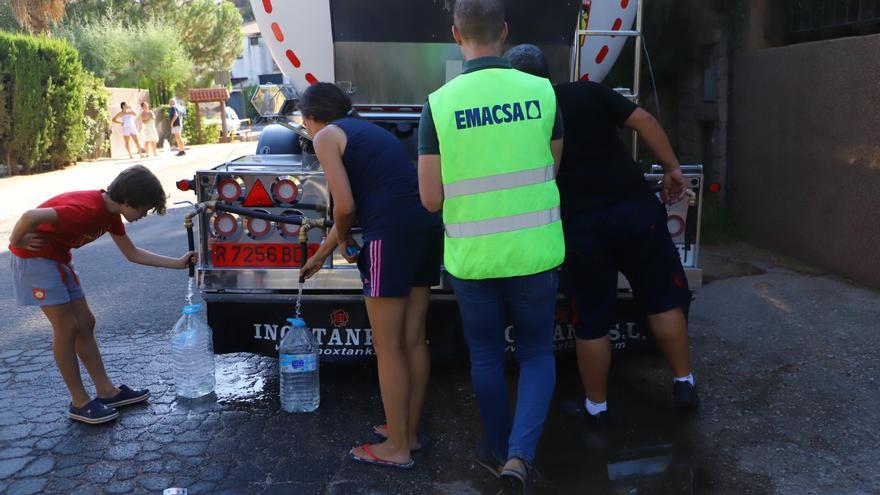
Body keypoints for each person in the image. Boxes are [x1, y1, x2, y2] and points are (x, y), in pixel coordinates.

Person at [504, 44, 700, 426]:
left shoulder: (522, 117)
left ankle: (597, 406)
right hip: (635, 212)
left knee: (592, 319)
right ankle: (684, 383)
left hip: (580, 227)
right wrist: (672, 168)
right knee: (661, 300)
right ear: (548, 71)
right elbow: (644, 120)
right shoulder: (586, 91)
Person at [417, 1, 565, 492]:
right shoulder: (542, 92)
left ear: (456, 36)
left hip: (473, 259)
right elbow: (551, 168)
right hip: (534, 253)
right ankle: (521, 456)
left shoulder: (438, 103)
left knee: (484, 357)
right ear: (504, 31)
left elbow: (430, 199)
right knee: (537, 354)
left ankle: (497, 448)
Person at [298, 83, 443, 470]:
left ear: (312, 116)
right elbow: (359, 204)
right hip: (426, 231)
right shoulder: (369, 130)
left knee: (388, 347)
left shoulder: (326, 136)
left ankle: (396, 447)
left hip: (390, 239)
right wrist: (323, 253)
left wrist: (341, 238)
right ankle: (407, 432)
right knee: (413, 339)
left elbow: (345, 206)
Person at [8, 165, 196, 424]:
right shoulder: (85, 210)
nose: (143, 215)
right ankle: (79, 402)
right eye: (143, 209)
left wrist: (177, 263)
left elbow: (132, 254)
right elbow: (30, 216)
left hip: (57, 259)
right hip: (35, 260)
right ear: (129, 200)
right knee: (67, 328)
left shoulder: (110, 215)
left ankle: (106, 391)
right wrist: (17, 241)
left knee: (86, 323)